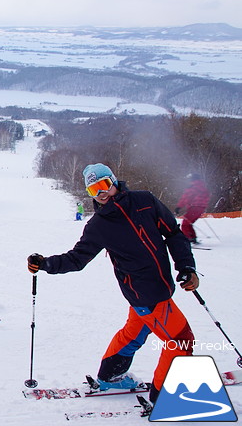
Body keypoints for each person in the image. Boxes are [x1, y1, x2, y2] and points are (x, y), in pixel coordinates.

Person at [27, 163, 198, 405]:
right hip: (147, 295)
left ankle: (109, 375)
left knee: (135, 332)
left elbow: (173, 233)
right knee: (181, 341)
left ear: (114, 181)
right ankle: (164, 399)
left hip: (153, 292)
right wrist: (45, 264)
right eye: (93, 190)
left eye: (104, 185)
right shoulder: (99, 226)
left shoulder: (146, 201)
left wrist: (186, 267)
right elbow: (77, 259)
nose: (101, 193)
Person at [175, 173, 210, 244]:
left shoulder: (192, 188)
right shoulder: (203, 187)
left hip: (194, 207)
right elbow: (207, 196)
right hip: (201, 208)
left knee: (185, 224)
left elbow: (186, 198)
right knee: (189, 223)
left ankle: (188, 239)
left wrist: (179, 207)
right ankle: (192, 238)